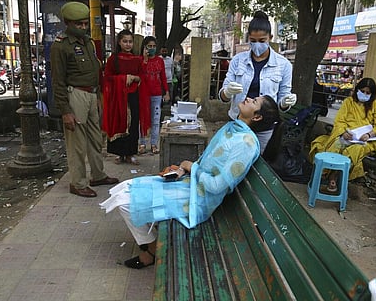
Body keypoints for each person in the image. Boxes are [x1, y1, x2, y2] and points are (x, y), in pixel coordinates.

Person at [100, 95, 280, 269]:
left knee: (124, 203)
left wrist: (191, 167)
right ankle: (150, 244)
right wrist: (182, 169)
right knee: (124, 187)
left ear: (257, 116)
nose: (248, 98)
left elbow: (217, 186)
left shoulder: (246, 144)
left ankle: (152, 250)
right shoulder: (233, 128)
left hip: (199, 199)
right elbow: (205, 161)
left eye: (254, 101)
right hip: (189, 183)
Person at [51, 1, 119, 198]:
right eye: (78, 24)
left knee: (96, 139)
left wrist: (97, 96)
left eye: (84, 23)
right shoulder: (61, 46)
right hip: (75, 95)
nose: (82, 27)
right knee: (77, 144)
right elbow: (58, 81)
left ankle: (98, 175)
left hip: (91, 95)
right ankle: (78, 183)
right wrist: (65, 111)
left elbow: (95, 71)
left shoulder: (88, 42)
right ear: (67, 23)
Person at [219, 11, 296, 153]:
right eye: (253, 41)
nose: (257, 45)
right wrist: (227, 91)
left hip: (265, 126)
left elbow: (282, 102)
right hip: (238, 121)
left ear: (270, 38)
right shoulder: (238, 60)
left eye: (262, 41)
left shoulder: (283, 65)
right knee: (232, 157)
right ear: (248, 38)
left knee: (259, 162)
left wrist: (285, 103)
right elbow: (223, 96)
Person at [309, 77, 376, 191]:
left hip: (365, 140)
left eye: (368, 93)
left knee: (353, 151)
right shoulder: (348, 102)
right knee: (336, 146)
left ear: (372, 94)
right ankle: (324, 172)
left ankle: (333, 176)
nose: (364, 94)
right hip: (347, 135)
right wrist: (343, 132)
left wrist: (369, 135)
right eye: (362, 91)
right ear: (357, 90)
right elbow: (339, 120)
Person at [102, 29, 146, 165]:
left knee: (133, 123)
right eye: (125, 41)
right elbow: (107, 77)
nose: (128, 44)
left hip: (133, 96)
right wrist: (123, 78)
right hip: (117, 97)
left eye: (130, 42)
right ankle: (119, 154)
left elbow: (143, 77)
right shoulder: (112, 59)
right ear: (119, 42)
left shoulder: (138, 60)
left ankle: (130, 153)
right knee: (118, 122)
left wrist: (134, 77)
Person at [138, 36, 170, 155]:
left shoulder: (159, 60)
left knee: (156, 120)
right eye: (149, 46)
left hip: (157, 94)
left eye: (153, 46)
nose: (152, 48)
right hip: (143, 95)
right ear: (144, 47)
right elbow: (140, 74)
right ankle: (142, 143)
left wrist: (166, 92)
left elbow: (163, 78)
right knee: (142, 119)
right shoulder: (140, 60)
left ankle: (154, 144)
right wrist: (145, 60)